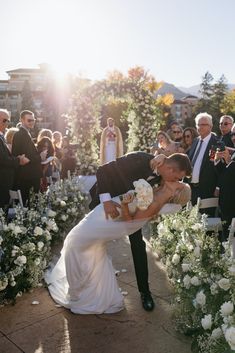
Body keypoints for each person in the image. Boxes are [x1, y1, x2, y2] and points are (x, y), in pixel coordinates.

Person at [45, 174, 191, 315]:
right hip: (105, 213)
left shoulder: (156, 204)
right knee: (89, 247)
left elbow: (130, 223)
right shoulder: (158, 187)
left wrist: (125, 204)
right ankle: (94, 294)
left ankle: (79, 293)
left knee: (74, 242)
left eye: (179, 182)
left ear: (176, 191)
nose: (177, 179)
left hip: (110, 220)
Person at [89, 152, 192, 311]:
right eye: (178, 178)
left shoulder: (162, 177)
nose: (178, 181)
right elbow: (102, 170)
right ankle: (92, 285)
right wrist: (107, 201)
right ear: (170, 170)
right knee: (93, 242)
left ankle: (145, 292)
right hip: (105, 203)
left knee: (138, 245)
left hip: (129, 211)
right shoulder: (140, 160)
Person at [12, 110, 45, 205]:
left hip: (28, 176)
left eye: (33, 120)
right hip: (27, 176)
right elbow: (26, 157)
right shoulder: (21, 134)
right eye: (29, 120)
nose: (32, 122)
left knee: (30, 205)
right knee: (30, 205)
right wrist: (40, 157)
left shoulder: (24, 133)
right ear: (22, 120)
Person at [188, 112, 218, 214]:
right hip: (191, 188)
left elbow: (219, 167)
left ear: (210, 126)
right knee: (191, 219)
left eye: (203, 124)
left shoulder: (216, 144)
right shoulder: (195, 141)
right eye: (198, 124)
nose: (200, 127)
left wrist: (218, 187)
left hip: (207, 189)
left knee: (206, 222)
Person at [0, 109, 29, 209]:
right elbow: (2, 159)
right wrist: (18, 160)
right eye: (4, 120)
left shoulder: (2, 136)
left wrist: (17, 158)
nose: (7, 123)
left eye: (8, 120)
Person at [214, 148, 235, 241]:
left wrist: (229, 161)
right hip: (225, 203)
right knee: (226, 234)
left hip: (231, 203)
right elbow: (224, 172)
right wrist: (217, 159)